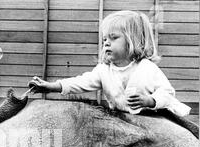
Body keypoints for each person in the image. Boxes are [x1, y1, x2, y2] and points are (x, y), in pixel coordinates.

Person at [28, 10, 191, 117]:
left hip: (152, 118)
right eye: (104, 39)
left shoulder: (147, 68)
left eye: (113, 38)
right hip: (121, 120)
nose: (106, 43)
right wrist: (52, 86)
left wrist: (150, 101)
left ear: (132, 41)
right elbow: (81, 82)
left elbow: (167, 93)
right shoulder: (104, 70)